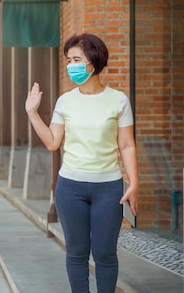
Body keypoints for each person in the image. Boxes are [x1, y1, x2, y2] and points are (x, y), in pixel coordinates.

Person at [25, 33, 138, 293]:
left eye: (77, 59)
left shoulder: (118, 100)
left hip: (108, 188)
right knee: (76, 253)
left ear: (94, 62)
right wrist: (32, 113)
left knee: (105, 253)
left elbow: (127, 145)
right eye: (68, 60)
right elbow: (53, 142)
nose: (71, 66)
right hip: (70, 188)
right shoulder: (65, 101)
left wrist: (134, 182)